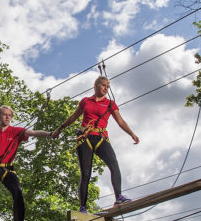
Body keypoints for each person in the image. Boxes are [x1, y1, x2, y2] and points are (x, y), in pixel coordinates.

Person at [53, 76, 139, 213]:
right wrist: (60, 128)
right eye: (103, 85)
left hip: (101, 138)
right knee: (86, 173)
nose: (106, 89)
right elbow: (73, 117)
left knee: (114, 164)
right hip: (85, 138)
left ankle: (118, 197)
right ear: (96, 85)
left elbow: (120, 121)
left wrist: (132, 134)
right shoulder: (86, 101)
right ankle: (83, 207)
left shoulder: (110, 104)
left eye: (108, 87)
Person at [0, 105, 56, 221]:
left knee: (18, 193)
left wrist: (51, 134)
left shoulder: (16, 131)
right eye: (4, 115)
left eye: (10, 115)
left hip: (7, 169)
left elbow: (34, 133)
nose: (7, 117)